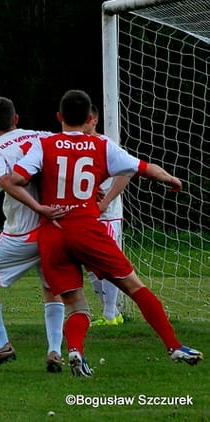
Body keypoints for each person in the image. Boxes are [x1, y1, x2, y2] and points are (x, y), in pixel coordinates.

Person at [8, 89, 203, 376]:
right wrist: (170, 179)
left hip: (53, 232)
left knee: (77, 306)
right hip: (87, 228)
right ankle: (173, 346)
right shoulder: (101, 146)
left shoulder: (44, 144)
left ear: (59, 117)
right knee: (134, 287)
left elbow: (15, 180)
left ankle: (75, 350)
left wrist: (41, 208)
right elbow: (144, 168)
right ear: (89, 118)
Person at [0, 96, 64, 373]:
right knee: (51, 287)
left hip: (24, 231)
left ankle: (2, 346)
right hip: (56, 227)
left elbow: (8, 184)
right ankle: (54, 351)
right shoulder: (45, 136)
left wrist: (37, 207)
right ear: (16, 118)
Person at [84, 105, 129, 326]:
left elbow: (127, 171)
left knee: (107, 261)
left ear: (94, 121)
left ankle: (111, 314)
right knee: (91, 265)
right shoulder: (75, 146)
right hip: (84, 214)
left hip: (106, 214)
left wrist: (105, 201)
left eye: (86, 120)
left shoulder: (106, 145)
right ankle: (109, 311)